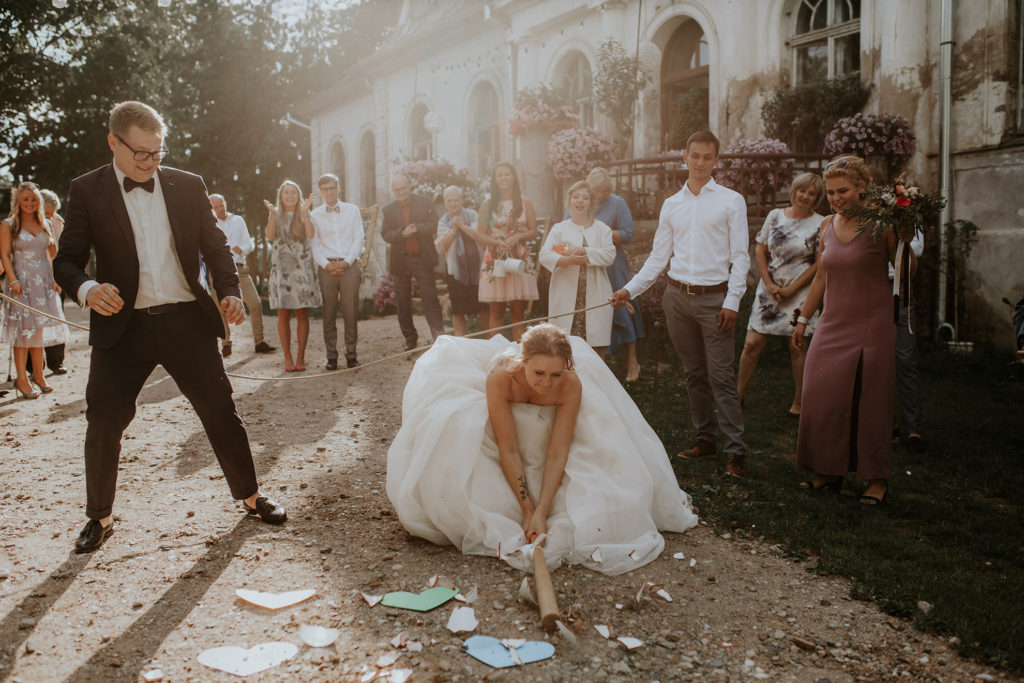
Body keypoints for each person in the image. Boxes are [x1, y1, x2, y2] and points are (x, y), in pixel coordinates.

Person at [52, 101, 286, 554]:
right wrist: (86, 289)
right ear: (113, 143)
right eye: (140, 153)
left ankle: (252, 496)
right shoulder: (86, 190)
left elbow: (216, 247)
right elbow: (66, 260)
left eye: (157, 152)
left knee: (220, 410)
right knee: (103, 419)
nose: (150, 162)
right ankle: (99, 517)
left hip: (185, 320)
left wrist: (230, 290)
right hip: (123, 326)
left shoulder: (188, 185)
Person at [386, 323, 697, 575]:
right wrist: (527, 510)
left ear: (566, 369)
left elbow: (557, 452)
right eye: (538, 373)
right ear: (523, 363)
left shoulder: (569, 384)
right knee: (452, 429)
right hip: (507, 424)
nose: (547, 383)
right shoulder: (501, 379)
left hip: (553, 440)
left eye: (555, 374)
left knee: (610, 481)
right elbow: (508, 448)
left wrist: (543, 512)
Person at [611, 130, 750, 478]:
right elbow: (658, 258)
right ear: (684, 158)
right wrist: (629, 290)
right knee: (693, 374)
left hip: (715, 301)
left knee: (721, 376)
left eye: (708, 157)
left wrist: (732, 301)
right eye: (695, 156)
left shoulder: (731, 201)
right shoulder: (672, 204)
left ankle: (736, 451)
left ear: (716, 160)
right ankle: (705, 439)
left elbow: (741, 258)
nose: (701, 162)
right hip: (677, 299)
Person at [790, 155, 915, 505]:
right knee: (821, 395)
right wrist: (803, 319)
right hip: (832, 323)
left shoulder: (883, 223)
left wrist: (905, 239)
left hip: (872, 323)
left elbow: (907, 275)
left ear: (863, 188)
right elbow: (821, 275)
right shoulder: (827, 224)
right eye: (830, 193)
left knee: (871, 401)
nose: (835, 198)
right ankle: (828, 470)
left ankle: (877, 479)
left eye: (842, 191)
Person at [737, 172, 825, 416]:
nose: (805, 196)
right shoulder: (774, 216)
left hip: (800, 293)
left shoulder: (821, 223)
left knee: (797, 346)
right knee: (751, 343)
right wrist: (768, 283)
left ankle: (799, 402)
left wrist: (792, 289)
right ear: (794, 190)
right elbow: (760, 250)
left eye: (812, 193)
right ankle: (738, 396)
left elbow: (819, 263)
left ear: (817, 198)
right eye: (802, 190)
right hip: (770, 290)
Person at [1, 181, 69, 398]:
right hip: (21, 282)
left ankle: (39, 375)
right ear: (18, 201)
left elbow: (52, 255)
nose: (30, 203)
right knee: (23, 333)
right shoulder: (9, 224)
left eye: (34, 199)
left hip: (43, 283)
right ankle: (21, 379)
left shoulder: (45, 224)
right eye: (26, 199)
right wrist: (13, 280)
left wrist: (55, 279)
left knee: (38, 330)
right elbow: (4, 255)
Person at [538, 180, 616, 351]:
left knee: (597, 349)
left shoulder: (602, 229)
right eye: (576, 197)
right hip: (566, 295)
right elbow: (545, 254)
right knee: (563, 348)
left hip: (595, 295)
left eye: (585, 198)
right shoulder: (559, 229)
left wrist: (584, 251)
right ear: (569, 201)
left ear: (592, 204)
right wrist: (567, 259)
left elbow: (609, 255)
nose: (580, 201)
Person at [586, 167, 644, 382]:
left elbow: (628, 234)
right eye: (595, 191)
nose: (599, 195)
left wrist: (599, 233)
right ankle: (597, 359)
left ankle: (633, 361)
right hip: (589, 264)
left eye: (603, 191)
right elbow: (568, 225)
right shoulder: (583, 200)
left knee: (621, 307)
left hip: (612, 263)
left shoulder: (617, 203)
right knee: (594, 310)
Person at [381, 174, 445, 350]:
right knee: (402, 302)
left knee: (430, 299)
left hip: (422, 259)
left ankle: (438, 336)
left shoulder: (424, 202)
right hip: (400, 261)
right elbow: (385, 234)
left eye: (404, 188)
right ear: (394, 191)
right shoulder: (388, 209)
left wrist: (417, 229)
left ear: (409, 187)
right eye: (397, 189)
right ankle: (410, 338)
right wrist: (402, 234)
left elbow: (434, 224)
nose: (401, 192)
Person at [477, 163, 539, 340]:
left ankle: (520, 356)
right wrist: (497, 241)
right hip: (495, 259)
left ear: (513, 177)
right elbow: (480, 235)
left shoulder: (525, 202)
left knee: (517, 311)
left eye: (507, 174)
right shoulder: (487, 204)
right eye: (500, 175)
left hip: (518, 258)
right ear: (494, 180)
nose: (504, 178)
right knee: (495, 311)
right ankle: (496, 356)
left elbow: (534, 231)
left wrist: (518, 237)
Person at [264, 180, 321, 372]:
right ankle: (287, 356)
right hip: (281, 269)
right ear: (281, 196)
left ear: (298, 196)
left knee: (302, 313)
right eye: (286, 193)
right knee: (283, 313)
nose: (290, 196)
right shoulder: (276, 214)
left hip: (301, 268)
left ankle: (300, 356)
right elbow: (270, 236)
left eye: (293, 193)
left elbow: (311, 235)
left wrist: (305, 216)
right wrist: (271, 215)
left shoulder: (304, 213)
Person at [309, 173, 363, 369]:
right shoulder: (314, 215)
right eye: (326, 189)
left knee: (350, 312)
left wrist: (347, 262)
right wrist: (326, 264)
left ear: (338, 188)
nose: (330, 192)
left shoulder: (352, 210)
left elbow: (359, 238)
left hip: (349, 266)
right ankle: (331, 357)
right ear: (320, 192)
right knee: (329, 313)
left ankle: (352, 355)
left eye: (333, 188)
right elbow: (314, 244)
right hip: (327, 268)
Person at [209, 193, 275, 356]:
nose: (219, 209)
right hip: (218, 271)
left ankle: (259, 342)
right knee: (220, 308)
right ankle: (226, 343)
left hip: (240, 268)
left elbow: (249, 242)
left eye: (221, 205)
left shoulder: (238, 220)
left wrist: (243, 249)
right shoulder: (210, 224)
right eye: (215, 207)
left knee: (255, 303)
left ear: (226, 203)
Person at [434, 185, 486, 337]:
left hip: (478, 268)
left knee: (484, 306)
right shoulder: (443, 222)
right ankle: (460, 340)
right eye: (449, 201)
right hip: (455, 270)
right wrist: (454, 230)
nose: (453, 203)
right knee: (458, 309)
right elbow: (442, 247)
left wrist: (462, 225)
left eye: (456, 200)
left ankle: (489, 339)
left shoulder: (472, 215)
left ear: (462, 200)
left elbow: (478, 236)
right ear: (445, 203)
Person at [38, 188, 69, 374]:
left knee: (57, 318)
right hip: (34, 274)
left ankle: (56, 361)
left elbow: (64, 247)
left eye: (53, 212)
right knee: (33, 321)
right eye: (47, 212)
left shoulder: (58, 222)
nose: (50, 216)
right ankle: (34, 365)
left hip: (56, 274)